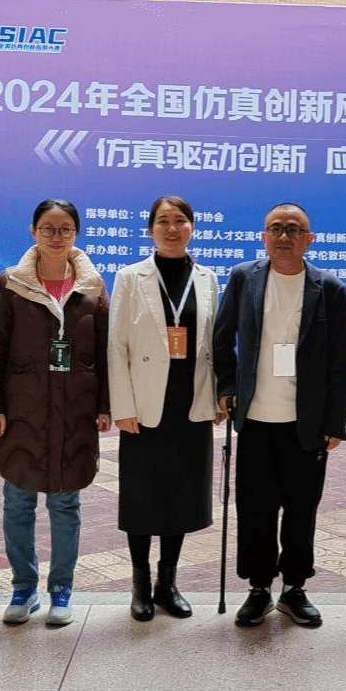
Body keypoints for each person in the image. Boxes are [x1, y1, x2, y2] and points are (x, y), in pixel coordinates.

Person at [213, 203, 346, 628]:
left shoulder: (329, 287)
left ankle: (294, 588)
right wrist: (226, 388)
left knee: (301, 509)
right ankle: (259, 588)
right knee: (255, 508)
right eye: (276, 228)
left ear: (309, 239)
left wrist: (334, 421)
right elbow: (222, 338)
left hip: (305, 421)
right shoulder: (244, 278)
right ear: (263, 236)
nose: (284, 236)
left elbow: (340, 360)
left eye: (294, 229)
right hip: (255, 418)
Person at [0, 199, 110, 628]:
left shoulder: (92, 287)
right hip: (23, 410)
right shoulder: (11, 284)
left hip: (75, 411)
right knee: (18, 501)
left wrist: (105, 405)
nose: (56, 236)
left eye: (65, 228)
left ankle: (61, 590)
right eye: (48, 228)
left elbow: (105, 351)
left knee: (65, 503)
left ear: (76, 234)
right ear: (33, 231)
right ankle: (23, 588)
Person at [108, 195, 224, 621]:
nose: (172, 228)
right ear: (151, 229)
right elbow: (116, 346)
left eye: (180, 221)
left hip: (190, 405)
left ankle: (167, 583)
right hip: (144, 406)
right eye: (163, 221)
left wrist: (216, 396)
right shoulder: (130, 277)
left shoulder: (208, 278)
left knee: (181, 495)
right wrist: (122, 405)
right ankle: (140, 585)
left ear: (192, 227)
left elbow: (214, 344)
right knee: (142, 496)